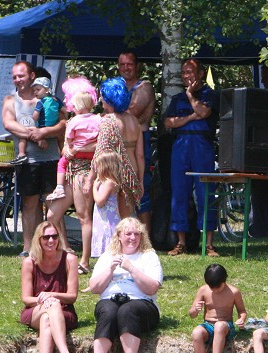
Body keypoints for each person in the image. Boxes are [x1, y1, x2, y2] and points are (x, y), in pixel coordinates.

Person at [87, 217, 162, 353]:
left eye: (137, 234)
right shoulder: (107, 256)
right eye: (128, 234)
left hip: (142, 304)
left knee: (127, 310)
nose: (133, 238)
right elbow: (94, 288)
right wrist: (110, 270)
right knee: (108, 311)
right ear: (119, 236)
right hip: (110, 300)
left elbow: (152, 288)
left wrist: (131, 268)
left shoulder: (149, 256)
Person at [2, 61, 65, 256]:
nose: (17, 80)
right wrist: (35, 136)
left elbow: (64, 123)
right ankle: (28, 248)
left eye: (21, 76)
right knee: (29, 203)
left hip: (51, 158)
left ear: (31, 76)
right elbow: (8, 124)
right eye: (14, 77)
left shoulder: (50, 99)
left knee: (52, 203)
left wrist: (45, 131)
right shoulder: (10, 100)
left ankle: (59, 246)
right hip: (26, 161)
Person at [163, 59, 219, 257]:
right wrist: (189, 117)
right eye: (184, 73)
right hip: (181, 147)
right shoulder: (177, 99)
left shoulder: (210, 94)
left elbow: (204, 112)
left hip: (202, 146)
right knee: (179, 193)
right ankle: (181, 242)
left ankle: (209, 244)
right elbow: (168, 122)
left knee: (206, 193)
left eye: (191, 72)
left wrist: (190, 97)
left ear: (201, 73)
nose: (187, 76)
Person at [44, 81, 99, 271]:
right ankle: (64, 252)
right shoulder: (79, 121)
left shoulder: (93, 121)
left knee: (84, 216)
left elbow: (100, 146)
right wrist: (70, 150)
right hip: (70, 170)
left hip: (83, 170)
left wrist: (74, 149)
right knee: (52, 214)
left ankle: (85, 260)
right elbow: (67, 147)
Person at [20, 221, 82, 353]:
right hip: (35, 309)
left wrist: (51, 295)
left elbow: (72, 296)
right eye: (46, 237)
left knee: (48, 317)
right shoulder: (29, 262)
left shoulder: (70, 259)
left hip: (64, 312)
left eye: (54, 236)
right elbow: (26, 299)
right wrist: (43, 299)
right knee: (50, 306)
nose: (51, 241)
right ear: (38, 240)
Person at [89, 78, 142, 222]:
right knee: (128, 219)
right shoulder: (134, 120)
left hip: (113, 172)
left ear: (109, 99)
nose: (101, 100)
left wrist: (90, 179)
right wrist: (141, 181)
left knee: (112, 220)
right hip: (132, 172)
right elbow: (140, 155)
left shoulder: (108, 121)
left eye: (103, 97)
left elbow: (100, 153)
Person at [189, 263, 248, 353]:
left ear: (224, 280)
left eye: (217, 287)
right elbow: (192, 315)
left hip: (225, 326)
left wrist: (241, 319)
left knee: (219, 326)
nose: (214, 290)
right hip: (208, 325)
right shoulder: (203, 290)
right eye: (211, 287)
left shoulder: (233, 292)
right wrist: (195, 309)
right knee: (196, 333)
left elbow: (242, 311)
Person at [118, 51, 155, 227]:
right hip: (120, 143)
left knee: (141, 189)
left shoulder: (144, 87)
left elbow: (132, 113)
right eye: (122, 64)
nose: (126, 68)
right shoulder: (118, 87)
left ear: (137, 65)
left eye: (129, 64)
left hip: (140, 141)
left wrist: (109, 116)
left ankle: (147, 240)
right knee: (119, 189)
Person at [13, 77, 61, 164]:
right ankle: (61, 153)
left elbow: (35, 117)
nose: (35, 92)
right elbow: (64, 111)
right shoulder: (56, 100)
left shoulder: (40, 102)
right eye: (34, 90)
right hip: (52, 129)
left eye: (37, 89)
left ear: (47, 90)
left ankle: (21, 154)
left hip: (42, 127)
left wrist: (34, 119)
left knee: (24, 132)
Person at [91, 151, 124, 262]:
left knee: (108, 242)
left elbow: (100, 201)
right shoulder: (110, 181)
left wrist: (94, 188)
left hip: (107, 221)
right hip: (104, 218)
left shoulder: (109, 183)